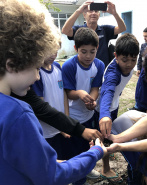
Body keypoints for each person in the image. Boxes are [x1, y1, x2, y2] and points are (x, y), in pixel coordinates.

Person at [0, 0, 106, 185]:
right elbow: (51, 175)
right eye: (35, 67)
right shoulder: (18, 114)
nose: (38, 77)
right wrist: (94, 153)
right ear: (11, 65)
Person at [62, 27, 105, 184]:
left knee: (86, 146)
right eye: (83, 51)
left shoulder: (99, 65)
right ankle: (77, 177)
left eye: (92, 52)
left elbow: (95, 88)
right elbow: (67, 93)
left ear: (97, 49)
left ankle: (86, 170)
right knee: (73, 150)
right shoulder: (69, 66)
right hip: (73, 117)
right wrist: (80, 94)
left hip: (88, 115)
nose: (88, 56)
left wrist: (92, 100)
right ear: (76, 49)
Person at [95, 33, 139, 183]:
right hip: (102, 110)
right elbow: (107, 91)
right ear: (116, 56)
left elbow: (116, 92)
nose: (129, 64)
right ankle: (105, 168)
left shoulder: (130, 66)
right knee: (104, 138)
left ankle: (109, 151)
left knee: (110, 136)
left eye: (133, 60)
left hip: (113, 106)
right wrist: (105, 114)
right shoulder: (113, 73)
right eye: (124, 60)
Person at [62, 0, 126, 67]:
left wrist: (114, 13)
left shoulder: (105, 29)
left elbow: (122, 28)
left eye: (96, 11)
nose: (93, 13)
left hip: (102, 69)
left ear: (99, 14)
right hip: (84, 68)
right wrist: (78, 11)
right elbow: (65, 31)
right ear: (84, 15)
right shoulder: (79, 30)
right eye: (90, 11)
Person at [32, 53, 71, 157]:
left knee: (65, 157)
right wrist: (61, 126)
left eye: (56, 51)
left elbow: (64, 94)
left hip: (61, 126)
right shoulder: (37, 73)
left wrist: (66, 119)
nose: (53, 55)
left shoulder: (57, 67)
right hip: (47, 131)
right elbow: (41, 107)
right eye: (49, 51)